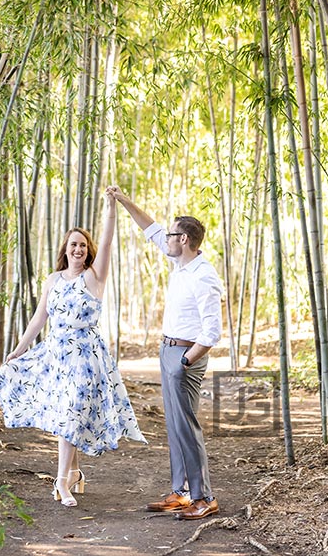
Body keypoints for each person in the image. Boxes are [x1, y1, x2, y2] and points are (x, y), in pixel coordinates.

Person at [0, 193, 146, 507]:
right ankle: (74, 473)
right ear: (65, 248)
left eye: (83, 245)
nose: (78, 249)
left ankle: (61, 482)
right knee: (68, 416)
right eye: (73, 244)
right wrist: (20, 348)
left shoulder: (93, 278)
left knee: (70, 414)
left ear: (88, 252)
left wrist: (110, 209)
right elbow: (40, 317)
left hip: (85, 358)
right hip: (55, 357)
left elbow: (106, 244)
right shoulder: (53, 280)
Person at [107, 186, 223, 521]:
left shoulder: (203, 276)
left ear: (183, 240)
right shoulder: (180, 265)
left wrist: (185, 362)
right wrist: (125, 200)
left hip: (186, 356)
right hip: (169, 349)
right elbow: (151, 227)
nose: (166, 239)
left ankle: (204, 497)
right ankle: (182, 491)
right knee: (175, 426)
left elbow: (212, 331)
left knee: (187, 427)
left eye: (172, 235)